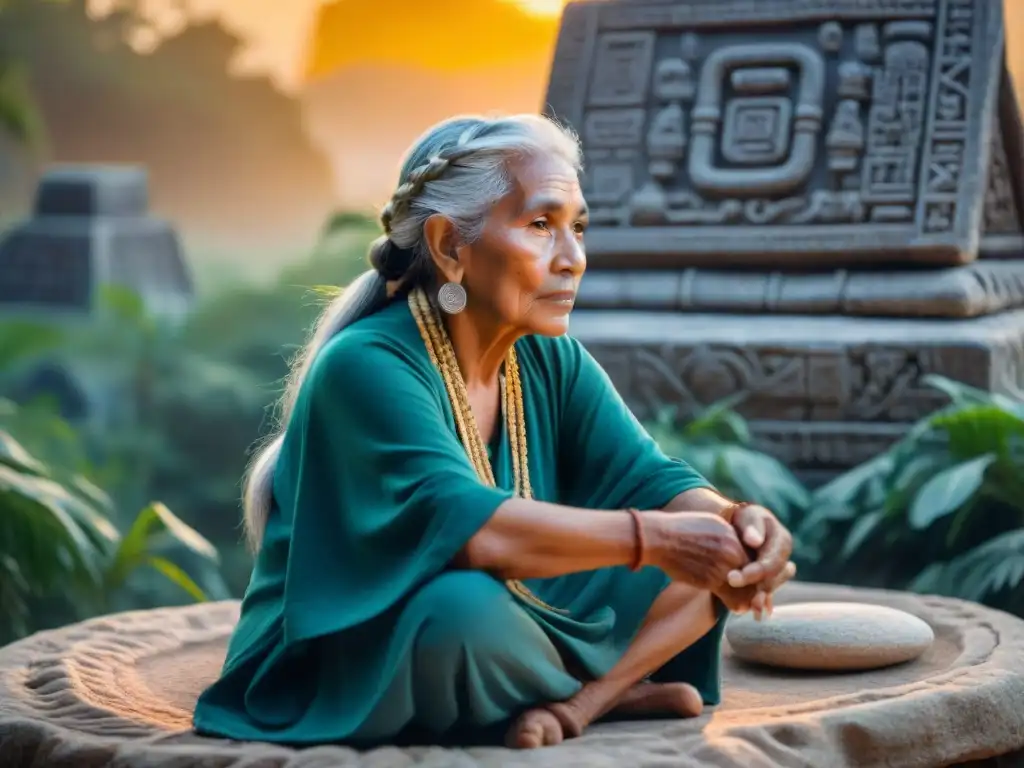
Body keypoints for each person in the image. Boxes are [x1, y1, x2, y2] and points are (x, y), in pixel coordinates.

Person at [192, 114, 797, 750]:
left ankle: (585, 702)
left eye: (579, 228)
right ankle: (614, 683)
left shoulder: (545, 355)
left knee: (707, 565)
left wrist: (739, 525)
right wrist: (658, 538)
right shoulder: (365, 364)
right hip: (363, 646)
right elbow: (473, 532)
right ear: (451, 245)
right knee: (461, 614)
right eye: (542, 226)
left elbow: (650, 477)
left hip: (520, 612)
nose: (573, 260)